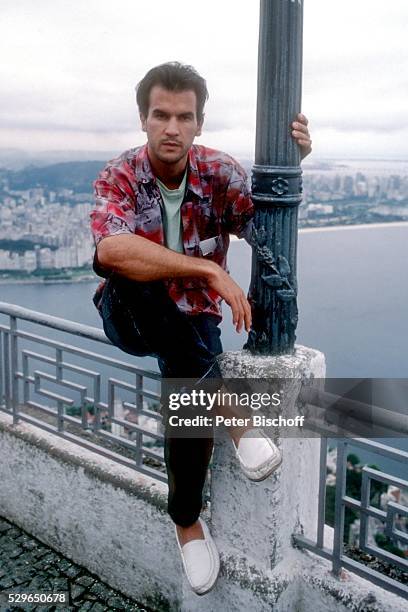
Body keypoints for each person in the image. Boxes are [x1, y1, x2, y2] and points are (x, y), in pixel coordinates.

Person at [90, 61, 312, 596]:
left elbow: (268, 224)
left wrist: (293, 162)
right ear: (143, 119)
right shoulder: (120, 174)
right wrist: (208, 269)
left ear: (199, 123)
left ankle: (186, 522)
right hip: (131, 315)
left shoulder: (220, 173)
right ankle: (233, 413)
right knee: (134, 274)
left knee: (187, 375)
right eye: (160, 115)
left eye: (183, 117)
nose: (172, 127)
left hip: (193, 327)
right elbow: (109, 249)